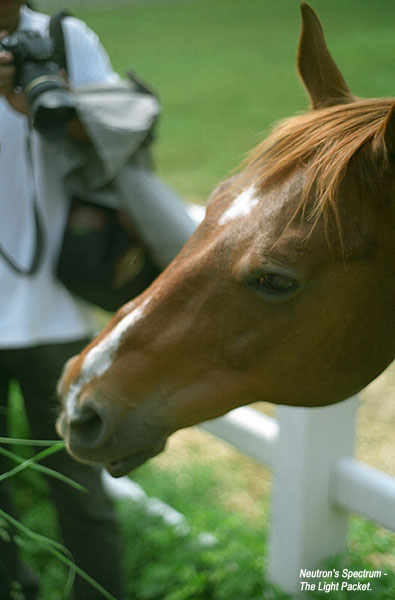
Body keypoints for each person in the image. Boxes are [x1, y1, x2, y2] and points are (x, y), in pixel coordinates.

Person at [0, 2, 125, 598]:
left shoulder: (63, 37)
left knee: (80, 489)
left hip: (57, 309)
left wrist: (50, 109)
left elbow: (122, 148)